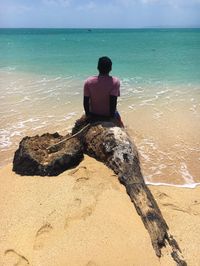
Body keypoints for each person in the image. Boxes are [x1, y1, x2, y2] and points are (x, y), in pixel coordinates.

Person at [83, 56, 124, 127]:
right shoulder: (115, 81)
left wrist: (88, 115)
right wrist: (112, 118)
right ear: (110, 68)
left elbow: (85, 101)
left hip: (93, 114)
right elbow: (113, 101)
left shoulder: (88, 81)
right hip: (108, 115)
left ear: (98, 67)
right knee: (121, 123)